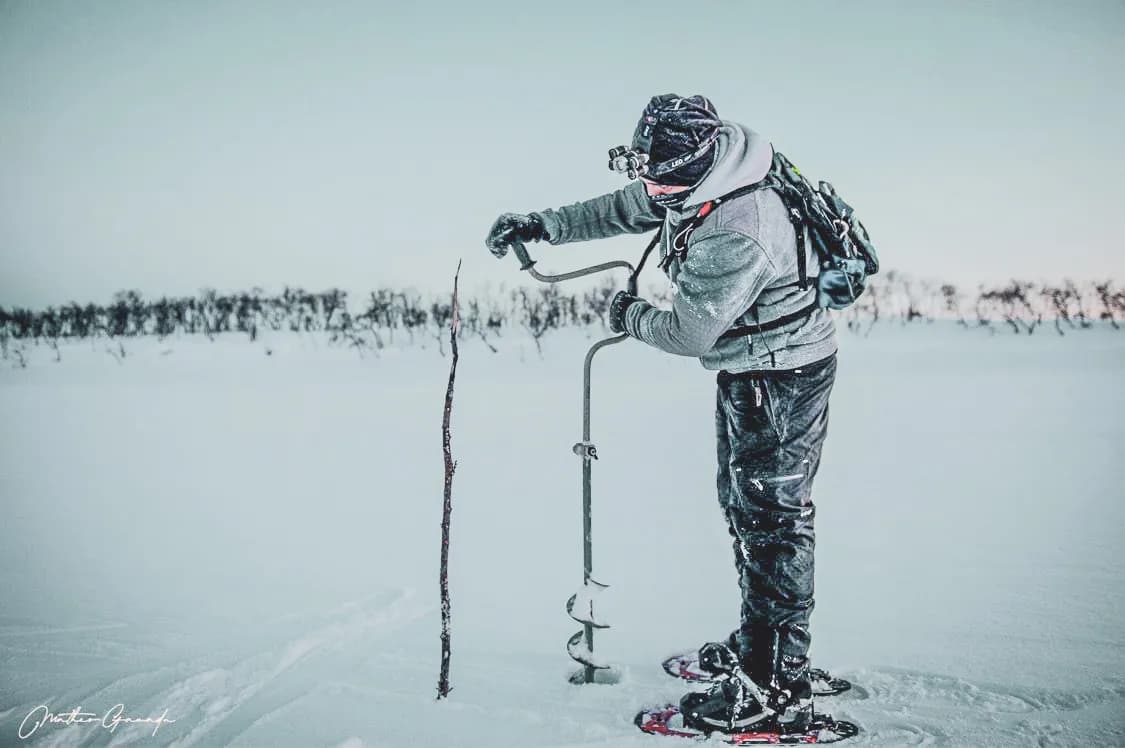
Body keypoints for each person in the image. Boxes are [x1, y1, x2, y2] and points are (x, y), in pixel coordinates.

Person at [485, 94, 839, 736]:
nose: (652, 188)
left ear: (702, 165)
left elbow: (688, 332)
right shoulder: (689, 176)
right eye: (646, 172)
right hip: (749, 367)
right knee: (743, 502)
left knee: (773, 517)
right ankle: (763, 647)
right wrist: (544, 224)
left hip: (782, 374)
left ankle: (777, 685)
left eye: (663, 179)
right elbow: (625, 207)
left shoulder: (742, 224)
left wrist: (630, 317)